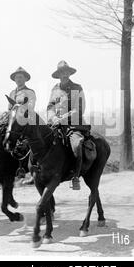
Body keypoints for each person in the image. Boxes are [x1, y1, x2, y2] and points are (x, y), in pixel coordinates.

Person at [47, 60, 86, 190]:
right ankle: (36, 170)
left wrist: (64, 118)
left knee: (77, 145)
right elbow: (50, 106)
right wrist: (52, 117)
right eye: (62, 72)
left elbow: (79, 108)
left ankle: (75, 176)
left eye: (66, 72)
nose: (64, 75)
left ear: (70, 73)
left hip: (72, 125)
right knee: (38, 139)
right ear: (58, 75)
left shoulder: (76, 88)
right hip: (55, 123)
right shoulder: (54, 89)